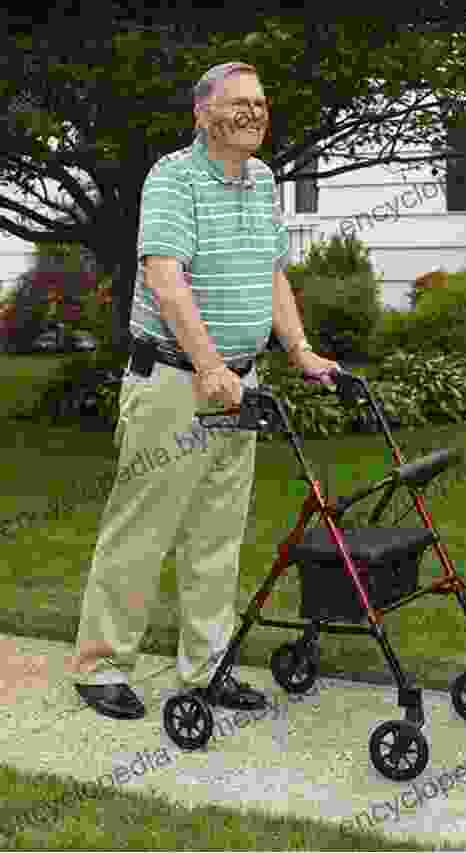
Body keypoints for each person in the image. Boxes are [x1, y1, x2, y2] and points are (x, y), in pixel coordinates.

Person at [68, 61, 339, 720]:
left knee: (217, 535)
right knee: (142, 527)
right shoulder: (174, 178)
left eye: (261, 102)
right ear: (201, 113)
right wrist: (211, 365)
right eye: (238, 102)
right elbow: (166, 280)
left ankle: (208, 666)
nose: (253, 112)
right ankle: (101, 665)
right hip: (174, 380)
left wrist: (298, 349)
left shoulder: (263, 180)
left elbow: (272, 273)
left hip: (239, 384)